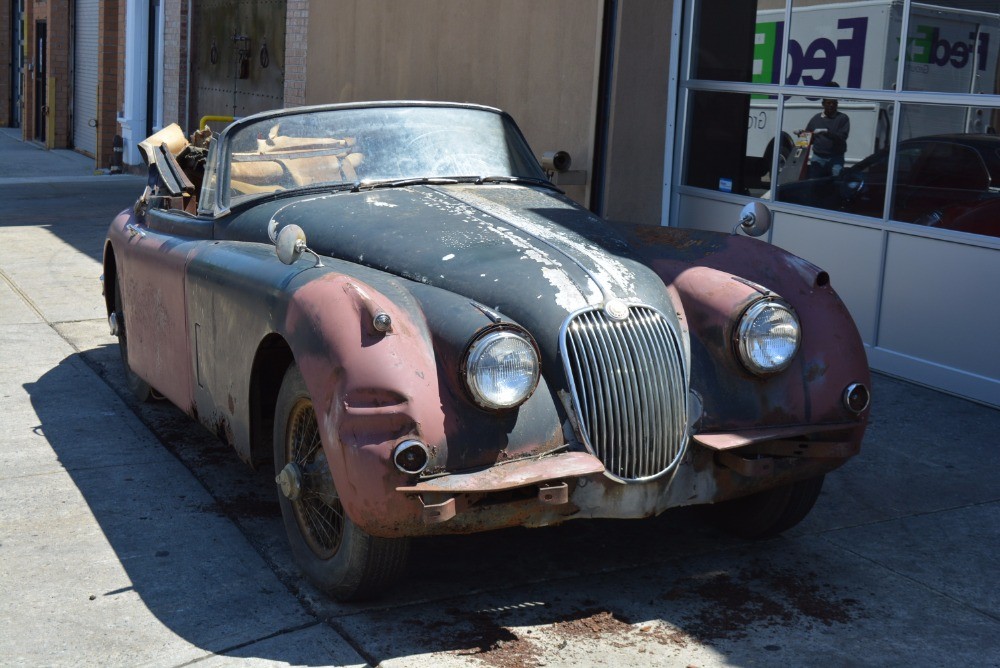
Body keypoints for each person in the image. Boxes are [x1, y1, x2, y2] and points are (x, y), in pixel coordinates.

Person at [801, 87, 849, 178]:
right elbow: (808, 139)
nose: (831, 105)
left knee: (836, 182)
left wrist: (827, 133)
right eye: (828, 103)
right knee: (815, 183)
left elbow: (842, 137)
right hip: (818, 157)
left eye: (834, 103)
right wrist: (801, 134)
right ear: (823, 104)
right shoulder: (816, 119)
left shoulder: (843, 118)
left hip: (836, 158)